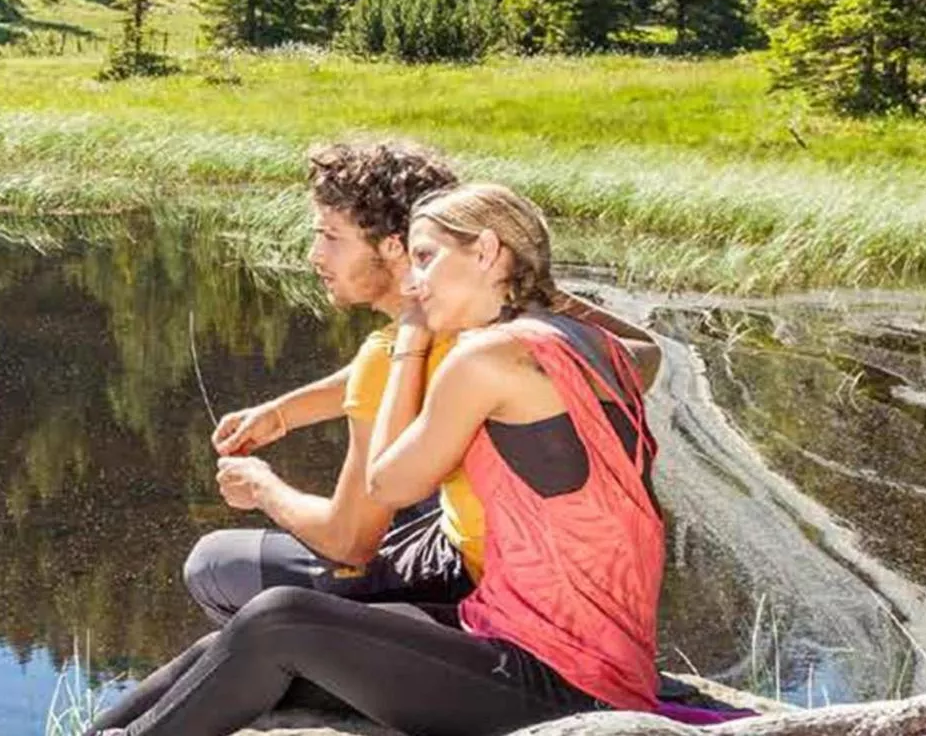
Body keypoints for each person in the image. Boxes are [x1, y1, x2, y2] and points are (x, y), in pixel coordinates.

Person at [88, 183, 665, 736]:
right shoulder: (601, 350)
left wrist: (410, 337)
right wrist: (534, 285)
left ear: (488, 252)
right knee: (231, 648)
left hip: (560, 678)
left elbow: (387, 481)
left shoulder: (486, 359)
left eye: (427, 258)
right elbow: (652, 349)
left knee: (278, 621)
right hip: (538, 645)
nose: (414, 281)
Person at [188, 143, 659, 626]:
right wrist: (285, 412)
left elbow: (351, 540)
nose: (314, 255)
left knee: (214, 564)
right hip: (549, 578)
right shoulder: (494, 324)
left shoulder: (399, 352)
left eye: (330, 236)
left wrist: (261, 486)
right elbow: (642, 351)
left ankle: (333, 677)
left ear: (395, 247)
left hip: (488, 589)